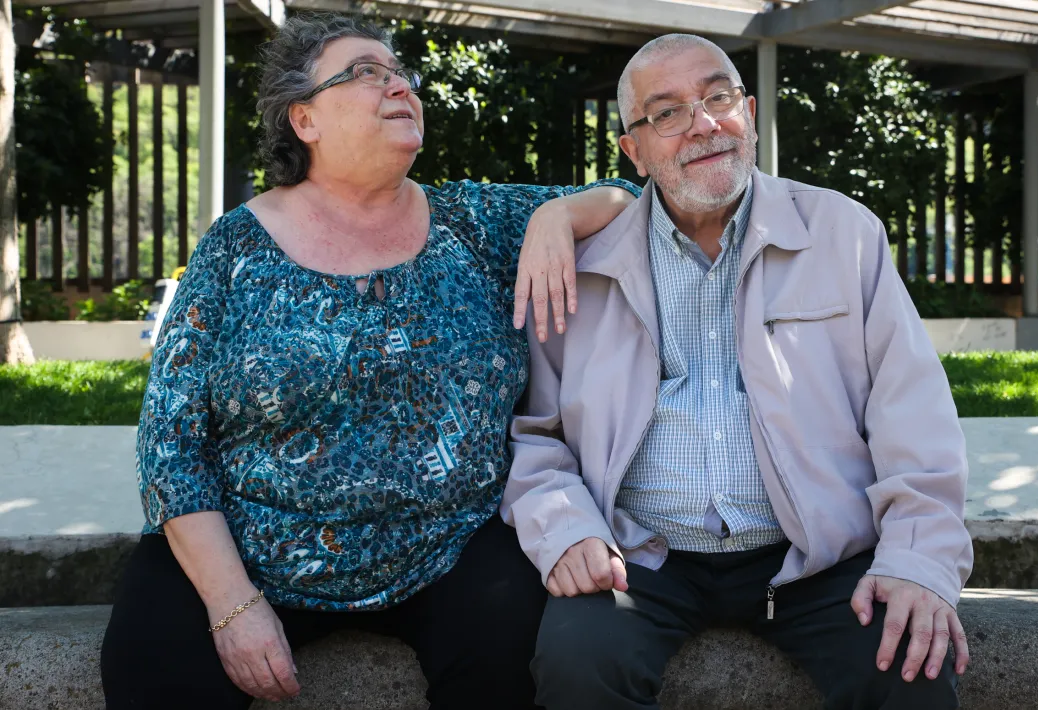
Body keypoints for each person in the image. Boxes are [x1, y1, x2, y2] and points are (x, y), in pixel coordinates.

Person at [99, 13, 639, 710]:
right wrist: (232, 601)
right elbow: (171, 442)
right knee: (153, 669)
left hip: (451, 544)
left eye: (400, 73)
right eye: (364, 73)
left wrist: (556, 216)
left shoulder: (474, 221)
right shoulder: (235, 247)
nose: (399, 86)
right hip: (254, 543)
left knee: (518, 657)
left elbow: (626, 198)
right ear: (304, 120)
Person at [502, 34, 972, 710]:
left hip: (820, 557)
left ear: (748, 113)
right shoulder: (584, 266)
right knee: (577, 663)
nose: (703, 123)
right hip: (641, 556)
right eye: (667, 112)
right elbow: (538, 435)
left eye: (717, 97)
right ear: (634, 150)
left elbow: (914, 417)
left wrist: (917, 561)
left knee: (908, 666)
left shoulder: (842, 233)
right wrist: (568, 530)